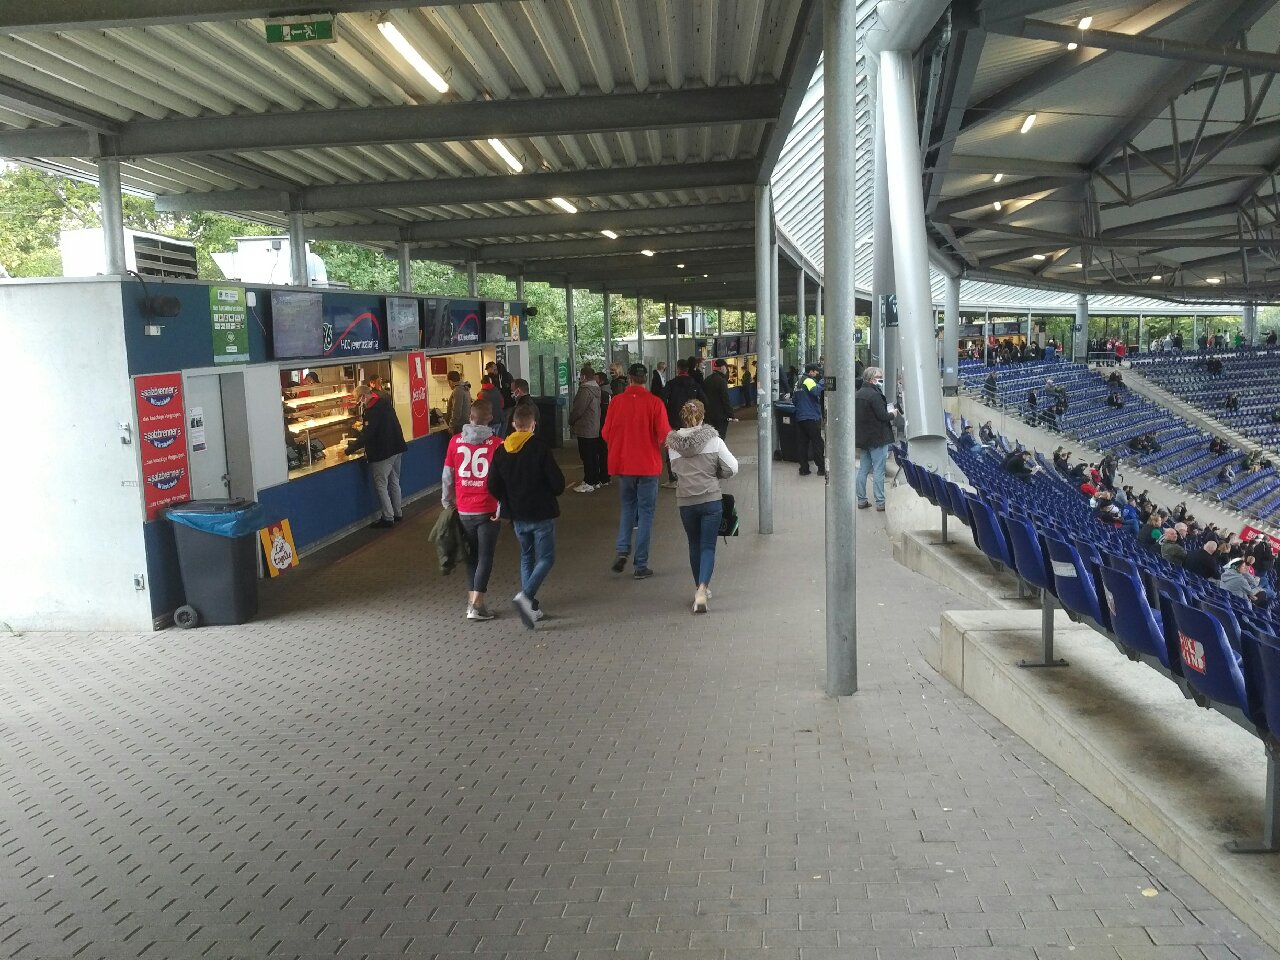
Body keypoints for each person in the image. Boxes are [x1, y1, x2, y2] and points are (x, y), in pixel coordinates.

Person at [487, 403, 566, 629]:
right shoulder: (540, 448)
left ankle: (531, 608)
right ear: (533, 425)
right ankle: (526, 596)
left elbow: (492, 484)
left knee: (527, 557)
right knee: (547, 558)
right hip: (541, 513)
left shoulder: (501, 450)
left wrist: (506, 500)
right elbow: (557, 484)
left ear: (513, 425)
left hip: (517, 515)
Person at [666, 398, 738, 614]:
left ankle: (699, 587)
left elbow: (675, 471)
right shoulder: (714, 440)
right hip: (710, 500)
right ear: (703, 416)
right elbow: (732, 468)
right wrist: (717, 474)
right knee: (708, 546)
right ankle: (702, 590)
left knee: (694, 544)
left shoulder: (672, 444)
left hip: (686, 502)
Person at [602, 363, 671, 579]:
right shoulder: (655, 403)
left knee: (628, 508)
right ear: (646, 378)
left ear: (629, 378)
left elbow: (605, 433)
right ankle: (640, 565)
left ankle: (623, 548)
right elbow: (664, 435)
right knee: (646, 514)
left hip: (624, 466)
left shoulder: (617, 403)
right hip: (648, 466)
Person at [442, 398, 503, 621]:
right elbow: (502, 480)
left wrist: (447, 502)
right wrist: (502, 506)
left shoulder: (455, 442)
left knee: (472, 558)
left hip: (464, 509)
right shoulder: (498, 444)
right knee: (485, 557)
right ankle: (476, 606)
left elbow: (447, 475)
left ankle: (473, 603)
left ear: (470, 417)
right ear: (490, 419)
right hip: (488, 510)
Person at [345, 383, 407, 529]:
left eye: (358, 400)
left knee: (381, 485)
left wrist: (350, 449)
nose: (359, 404)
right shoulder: (385, 403)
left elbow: (368, 434)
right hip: (397, 447)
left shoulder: (372, 411)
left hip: (383, 452)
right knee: (394, 481)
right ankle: (397, 512)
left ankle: (388, 517)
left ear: (364, 396)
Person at [854, 366, 895, 510]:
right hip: (877, 438)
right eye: (879, 377)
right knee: (878, 470)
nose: (881, 379)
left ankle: (861, 500)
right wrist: (893, 414)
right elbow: (882, 416)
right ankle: (880, 502)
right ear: (872, 379)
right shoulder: (874, 395)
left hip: (863, 438)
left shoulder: (857, 394)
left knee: (863, 469)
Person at [662, 358, 707, 486]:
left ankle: (673, 479)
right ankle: (691, 476)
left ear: (678, 369)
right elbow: (704, 400)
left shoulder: (671, 384)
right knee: (691, 448)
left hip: (674, 421)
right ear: (688, 369)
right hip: (691, 423)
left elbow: (661, 398)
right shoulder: (695, 384)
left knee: (672, 449)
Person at [568, 364, 605, 493]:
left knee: (587, 456)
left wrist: (571, 420)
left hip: (585, 427)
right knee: (593, 456)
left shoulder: (585, 390)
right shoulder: (596, 389)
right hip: (594, 426)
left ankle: (588, 481)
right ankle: (594, 480)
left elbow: (579, 409)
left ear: (583, 376)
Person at [793, 361, 826, 476]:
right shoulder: (809, 380)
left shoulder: (798, 382)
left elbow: (794, 400)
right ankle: (821, 468)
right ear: (811, 372)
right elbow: (815, 391)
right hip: (811, 416)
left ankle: (804, 469)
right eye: (816, 371)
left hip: (800, 417)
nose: (817, 373)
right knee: (817, 443)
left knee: (803, 444)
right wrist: (823, 381)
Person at [702, 358, 733, 440]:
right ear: (722, 368)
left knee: (711, 438)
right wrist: (730, 414)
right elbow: (725, 399)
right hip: (721, 416)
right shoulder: (722, 381)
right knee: (720, 438)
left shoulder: (707, 380)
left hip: (708, 414)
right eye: (726, 368)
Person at [594, 371, 612, 487]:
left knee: (602, 452)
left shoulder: (602, 394)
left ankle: (604, 476)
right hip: (604, 426)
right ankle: (605, 476)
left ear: (600, 381)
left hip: (601, 426)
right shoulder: (608, 392)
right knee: (604, 451)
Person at [445, 370, 471, 434]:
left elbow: (456, 410)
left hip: (459, 426)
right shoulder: (465, 388)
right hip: (465, 424)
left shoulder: (457, 390)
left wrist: (451, 426)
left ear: (450, 381)